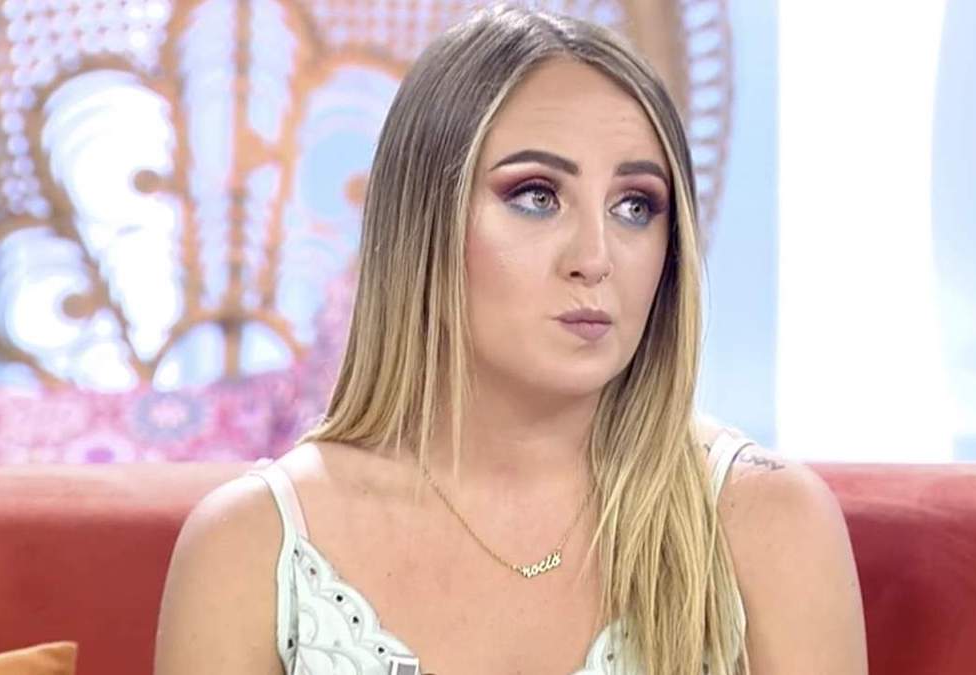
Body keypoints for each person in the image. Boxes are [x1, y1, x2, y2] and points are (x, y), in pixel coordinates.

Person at [154, 5, 867, 674]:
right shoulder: (249, 549)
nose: (595, 257)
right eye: (537, 196)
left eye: (634, 205)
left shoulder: (766, 525)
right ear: (424, 223)